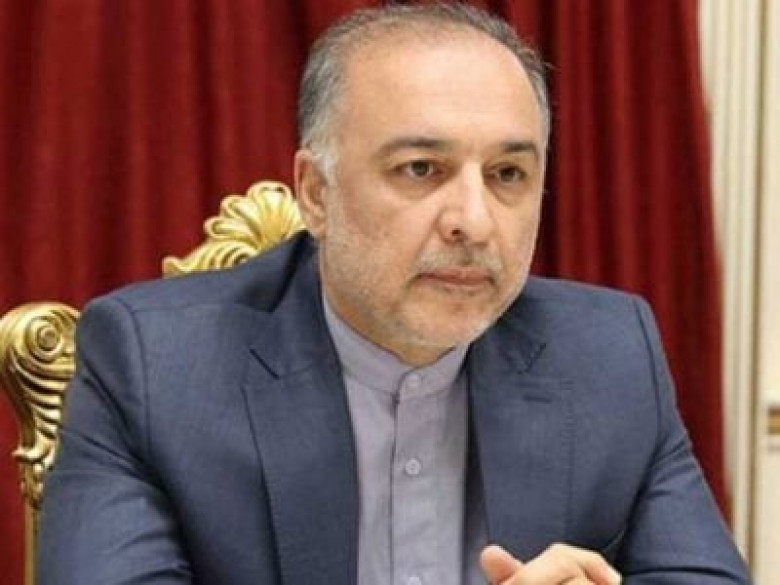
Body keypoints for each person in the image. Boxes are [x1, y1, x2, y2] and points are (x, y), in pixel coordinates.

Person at [38, 3, 751, 584]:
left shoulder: (609, 356)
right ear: (316, 193)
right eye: (421, 169)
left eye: (507, 174)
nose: (473, 221)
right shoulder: (155, 368)